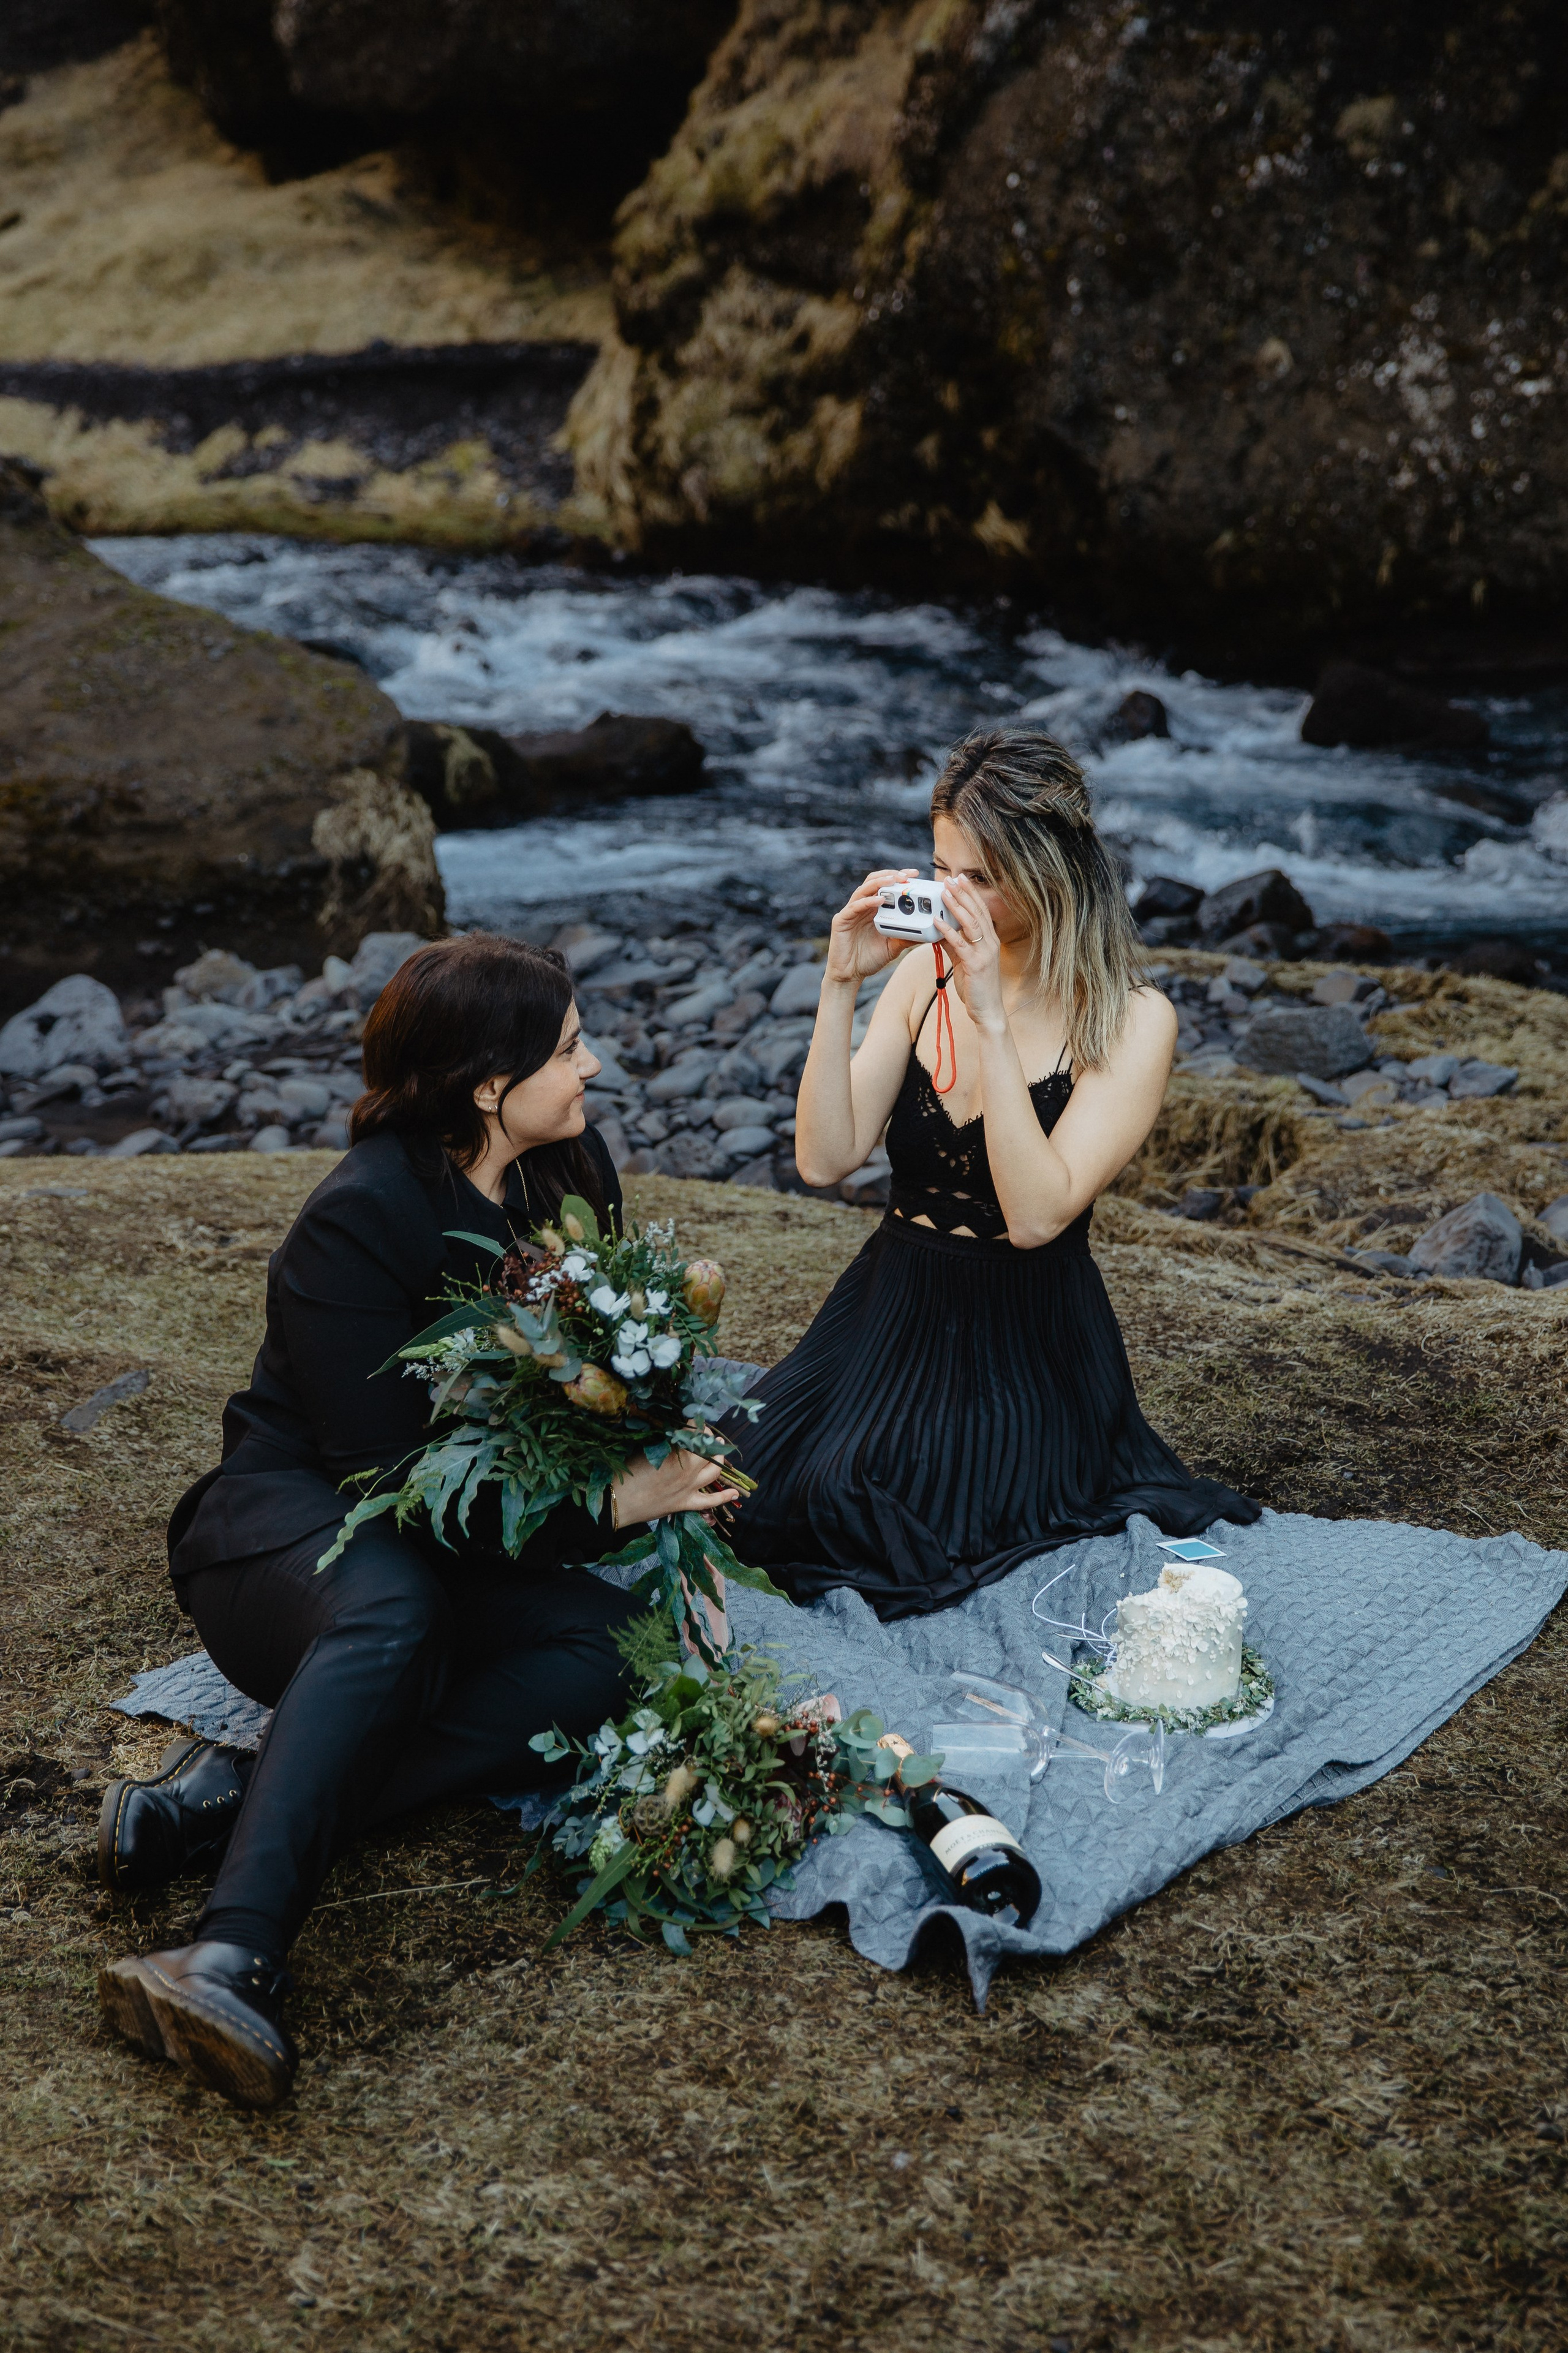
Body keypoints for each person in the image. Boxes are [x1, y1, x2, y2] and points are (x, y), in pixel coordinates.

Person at [97, 934, 737, 2110]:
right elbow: (388, 1476)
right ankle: (225, 1952)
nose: (593, 1066)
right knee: (393, 1604)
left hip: (450, 1538)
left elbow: (582, 1384)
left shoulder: (569, 1174)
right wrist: (602, 1505)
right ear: (490, 1084)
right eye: (569, 1046)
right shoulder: (358, 1220)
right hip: (296, 1530)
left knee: (612, 1647)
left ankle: (231, 1804)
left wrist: (654, 1472)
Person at [729, 725, 1259, 1615]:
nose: (951, 896)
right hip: (890, 1303)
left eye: (980, 876)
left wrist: (991, 1016)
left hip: (1026, 1339)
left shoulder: (1135, 1020)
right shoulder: (918, 976)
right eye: (942, 867)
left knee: (868, 1502)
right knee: (750, 1477)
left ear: (1051, 869)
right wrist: (839, 982)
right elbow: (824, 1157)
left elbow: (1038, 1215)